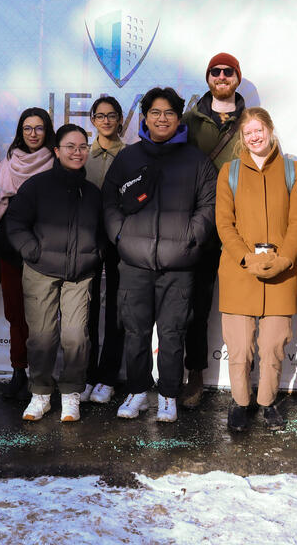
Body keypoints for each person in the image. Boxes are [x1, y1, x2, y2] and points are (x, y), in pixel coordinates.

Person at [102, 87, 217, 422]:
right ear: (145, 117)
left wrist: (189, 240)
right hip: (135, 262)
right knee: (135, 331)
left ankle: (168, 394)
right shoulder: (129, 157)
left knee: (172, 333)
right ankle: (137, 392)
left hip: (178, 265)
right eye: (155, 112)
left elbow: (208, 207)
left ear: (178, 117)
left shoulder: (196, 160)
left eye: (168, 112)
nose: (162, 118)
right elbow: (109, 202)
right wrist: (121, 237)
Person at [215, 107, 297, 432]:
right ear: (242, 137)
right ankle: (240, 404)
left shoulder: (293, 169)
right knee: (239, 349)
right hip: (239, 272)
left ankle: (268, 402)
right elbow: (224, 224)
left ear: (270, 130)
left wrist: (284, 259)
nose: (255, 137)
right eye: (248, 132)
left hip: (282, 273)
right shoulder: (229, 171)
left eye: (259, 130)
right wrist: (246, 258)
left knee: (273, 346)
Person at [3, 124, 103, 422]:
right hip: (40, 271)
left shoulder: (93, 193)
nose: (77, 152)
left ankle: (71, 394)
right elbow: (15, 223)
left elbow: (102, 232)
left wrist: (95, 255)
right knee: (42, 337)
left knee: (75, 337)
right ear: (57, 151)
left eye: (82, 146)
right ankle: (41, 394)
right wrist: (32, 251)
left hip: (79, 274)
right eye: (70, 146)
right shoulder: (36, 186)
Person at [179, 51, 247, 409]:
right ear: (208, 78)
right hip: (202, 221)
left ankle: (244, 381)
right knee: (196, 304)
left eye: (228, 71)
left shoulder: (252, 121)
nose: (221, 76)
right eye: (215, 72)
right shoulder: (189, 122)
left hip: (241, 223)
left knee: (242, 305)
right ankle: (195, 376)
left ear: (237, 77)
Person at [0, 107, 56, 400]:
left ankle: (42, 377)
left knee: (43, 317)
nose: (33, 134)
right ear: (20, 131)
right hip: (9, 248)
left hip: (43, 251)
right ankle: (18, 371)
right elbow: (0, 204)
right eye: (27, 128)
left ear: (47, 132)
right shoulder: (8, 162)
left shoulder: (56, 163)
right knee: (15, 313)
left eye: (39, 128)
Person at [83, 96, 126, 405]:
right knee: (85, 309)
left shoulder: (131, 155)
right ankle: (87, 374)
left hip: (119, 241)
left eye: (112, 115)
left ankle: (108, 376)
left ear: (120, 119)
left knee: (115, 308)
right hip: (87, 240)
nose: (107, 120)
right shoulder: (83, 154)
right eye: (100, 116)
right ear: (93, 120)